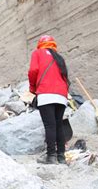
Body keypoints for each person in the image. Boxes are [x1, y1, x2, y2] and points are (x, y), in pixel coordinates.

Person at [28, 35, 69, 165]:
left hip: (46, 93)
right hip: (61, 95)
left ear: (40, 44)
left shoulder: (37, 53)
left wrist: (33, 88)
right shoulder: (59, 58)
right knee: (58, 125)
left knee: (50, 126)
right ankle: (61, 157)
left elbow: (33, 70)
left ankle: (51, 156)